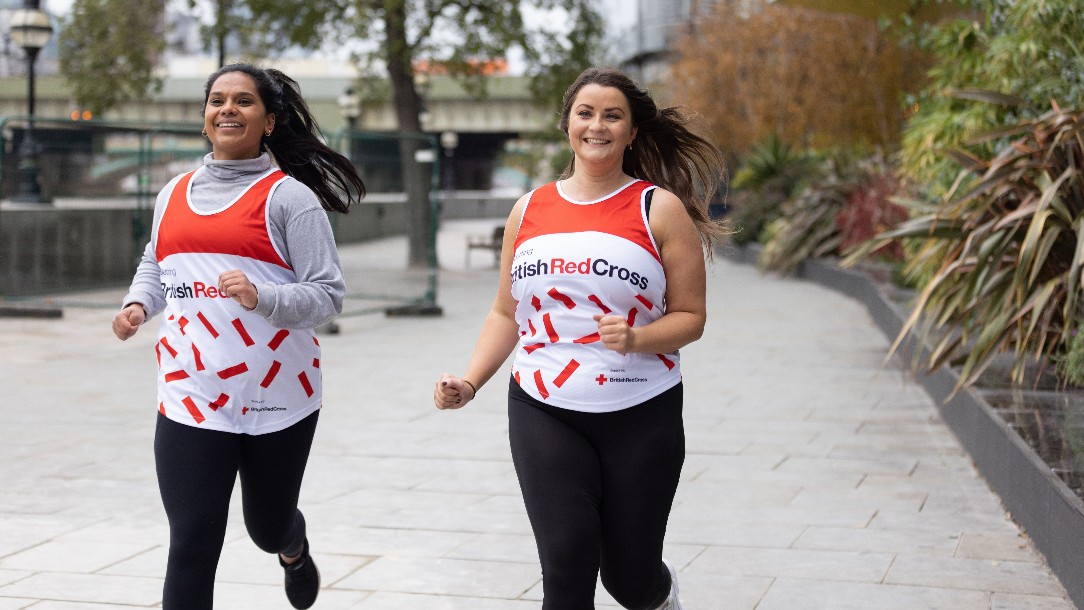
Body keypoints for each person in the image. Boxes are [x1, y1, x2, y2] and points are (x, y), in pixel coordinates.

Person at [433, 66, 726, 609]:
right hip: (543, 404)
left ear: (632, 131)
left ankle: (660, 595)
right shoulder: (528, 210)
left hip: (641, 408)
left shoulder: (657, 208)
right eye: (585, 113)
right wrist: (470, 381)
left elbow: (691, 317)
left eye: (613, 115)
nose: (598, 126)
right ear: (567, 124)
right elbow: (505, 312)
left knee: (629, 579)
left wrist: (637, 338)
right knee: (567, 563)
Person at [112, 62, 365, 610]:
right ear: (205, 117)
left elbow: (328, 294)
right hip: (191, 395)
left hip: (275, 397)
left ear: (269, 121)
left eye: (244, 101)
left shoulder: (288, 199)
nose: (228, 109)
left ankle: (292, 548)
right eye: (217, 100)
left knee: (266, 528)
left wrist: (263, 295)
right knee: (192, 543)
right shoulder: (171, 194)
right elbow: (157, 265)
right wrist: (138, 305)